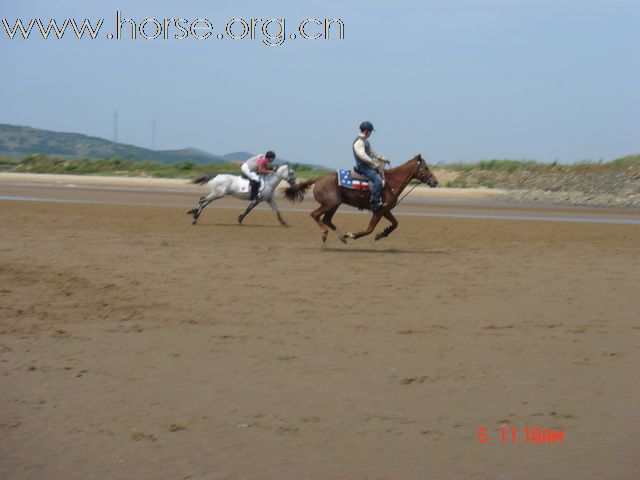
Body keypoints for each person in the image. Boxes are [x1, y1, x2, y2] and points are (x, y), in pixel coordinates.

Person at [353, 121, 389, 209]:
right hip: (363, 167)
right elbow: (362, 155)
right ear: (366, 131)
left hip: (368, 165)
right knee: (378, 180)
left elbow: (371, 152)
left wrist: (381, 158)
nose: (371, 133)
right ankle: (375, 201)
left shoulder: (365, 141)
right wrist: (372, 163)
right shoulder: (359, 142)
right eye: (370, 131)